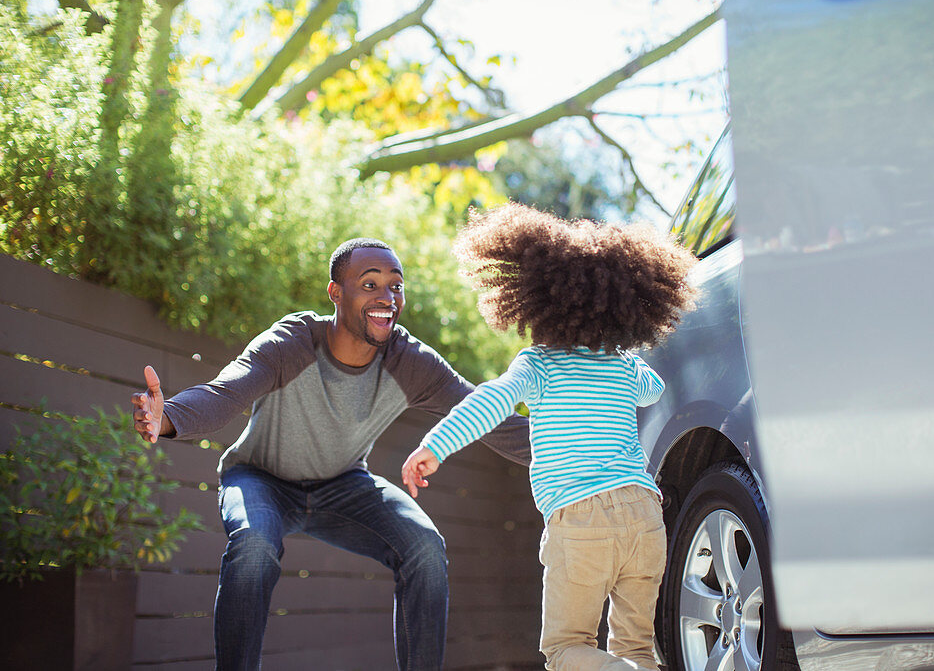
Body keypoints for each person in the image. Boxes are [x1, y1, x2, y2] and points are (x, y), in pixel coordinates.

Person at [130, 237, 530, 671]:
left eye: (395, 286)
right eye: (370, 284)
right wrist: (167, 417)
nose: (386, 298)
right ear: (336, 293)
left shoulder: (409, 361)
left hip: (343, 485)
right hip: (260, 479)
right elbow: (225, 393)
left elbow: (485, 413)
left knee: (425, 547)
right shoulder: (292, 343)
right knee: (254, 546)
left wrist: (576, 448)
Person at [400, 203, 697, 670]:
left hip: (581, 516)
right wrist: (626, 355)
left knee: (565, 650)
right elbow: (653, 389)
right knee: (634, 651)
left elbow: (492, 401)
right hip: (644, 514)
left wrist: (435, 445)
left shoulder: (539, 364)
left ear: (535, 300)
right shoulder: (622, 365)